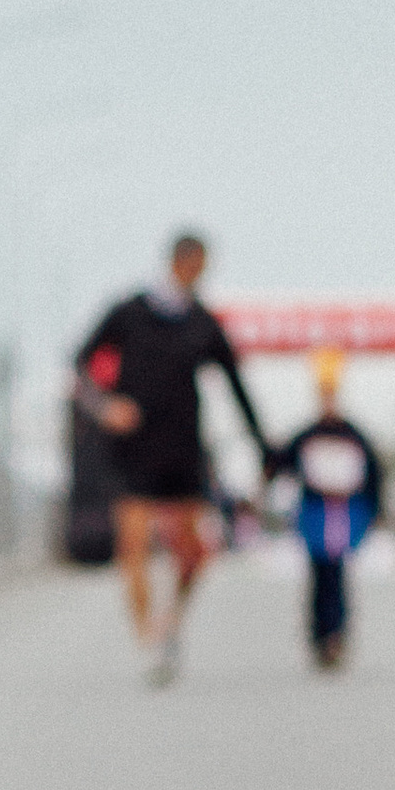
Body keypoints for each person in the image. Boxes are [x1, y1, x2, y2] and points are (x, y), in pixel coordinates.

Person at [75, 232, 272, 683]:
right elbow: (80, 363)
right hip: (133, 450)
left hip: (183, 451)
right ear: (177, 263)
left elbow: (236, 387)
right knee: (135, 546)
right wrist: (105, 407)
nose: (195, 273)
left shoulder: (203, 323)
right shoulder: (128, 312)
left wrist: (262, 445)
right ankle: (148, 637)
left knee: (193, 552)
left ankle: (171, 621)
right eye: (191, 265)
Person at [267, 352, 388, 672]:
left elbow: (374, 476)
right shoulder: (306, 435)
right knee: (319, 574)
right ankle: (321, 636)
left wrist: (375, 510)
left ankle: (335, 634)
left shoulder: (354, 435)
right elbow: (279, 464)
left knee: (336, 574)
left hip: (346, 512)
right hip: (315, 512)